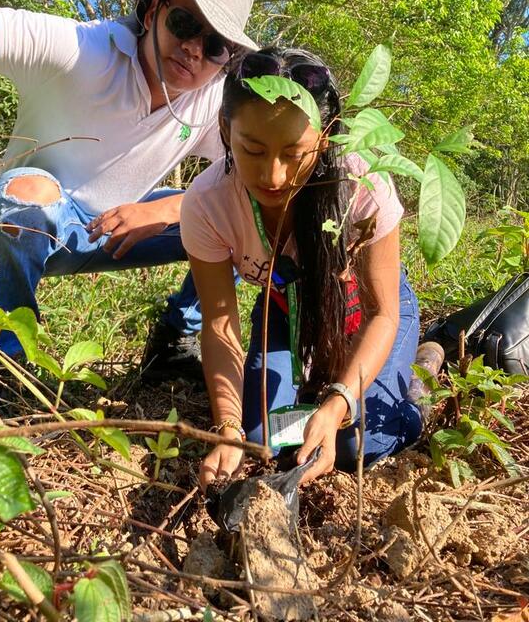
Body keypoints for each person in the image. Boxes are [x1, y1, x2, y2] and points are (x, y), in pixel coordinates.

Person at [0, 0, 256, 377]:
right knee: (25, 198)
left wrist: (166, 210)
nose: (194, 48)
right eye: (185, 22)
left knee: (246, 212)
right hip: (37, 225)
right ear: (153, 11)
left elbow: (251, 181)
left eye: (215, 46)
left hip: (121, 227)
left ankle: (176, 340)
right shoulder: (79, 50)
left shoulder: (212, 101)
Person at [180, 47, 439, 488]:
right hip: (285, 308)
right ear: (226, 130)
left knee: (358, 441)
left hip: (367, 312)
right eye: (253, 150)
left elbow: (383, 313)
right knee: (263, 435)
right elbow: (220, 324)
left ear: (325, 137)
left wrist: (337, 404)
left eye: (293, 153)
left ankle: (423, 371)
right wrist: (227, 428)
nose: (274, 176)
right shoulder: (207, 204)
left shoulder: (361, 184)